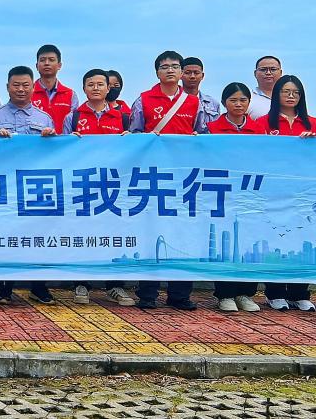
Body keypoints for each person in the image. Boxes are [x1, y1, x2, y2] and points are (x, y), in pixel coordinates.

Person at [128, 51, 204, 311]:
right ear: (157, 72)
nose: (170, 70)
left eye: (175, 66)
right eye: (164, 67)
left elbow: (202, 134)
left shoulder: (193, 102)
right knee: (151, 233)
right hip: (153, 178)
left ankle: (179, 294)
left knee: (183, 234)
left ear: (182, 71)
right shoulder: (144, 100)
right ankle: (147, 293)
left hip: (184, 179)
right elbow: (135, 135)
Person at [0, 66, 57, 305]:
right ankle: (5, 286)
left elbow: (56, 156)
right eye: (16, 85)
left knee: (38, 236)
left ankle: (39, 286)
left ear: (33, 87)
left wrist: (51, 140)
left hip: (36, 188)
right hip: (5, 188)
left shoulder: (44, 119)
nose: (21, 89)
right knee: (7, 235)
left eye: (26, 85)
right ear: (7, 87)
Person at [62, 68, 131, 306]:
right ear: (84, 88)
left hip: (113, 187)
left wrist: (129, 140)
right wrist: (69, 141)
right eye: (90, 84)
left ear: (108, 88)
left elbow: (131, 151)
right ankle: (81, 284)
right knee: (82, 234)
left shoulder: (121, 117)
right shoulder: (73, 117)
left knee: (114, 235)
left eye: (100, 84)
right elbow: (60, 153)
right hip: (82, 186)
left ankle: (115, 286)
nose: (95, 88)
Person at [256, 74, 316, 312]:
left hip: (304, 193)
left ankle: (300, 293)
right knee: (275, 240)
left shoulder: (313, 124)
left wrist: (315, 142)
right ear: (276, 95)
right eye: (286, 92)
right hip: (274, 192)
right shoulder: (263, 123)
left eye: (296, 93)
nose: (291, 96)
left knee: (303, 241)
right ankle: (274, 293)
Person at [204, 82, 267, 313]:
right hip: (222, 192)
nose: (238, 104)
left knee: (249, 241)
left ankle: (246, 293)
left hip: (250, 192)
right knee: (225, 242)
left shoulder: (259, 130)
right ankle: (224, 294)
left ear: (249, 103)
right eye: (233, 100)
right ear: (224, 103)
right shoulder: (211, 129)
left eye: (243, 100)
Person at [31, 44, 74, 134]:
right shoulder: (28, 93)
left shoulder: (70, 94)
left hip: (62, 143)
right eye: (42, 60)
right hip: (34, 142)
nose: (47, 63)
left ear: (59, 65)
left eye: (51, 60)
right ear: (37, 66)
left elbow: (74, 125)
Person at [180, 57, 222, 123]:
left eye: (196, 73)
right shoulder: (173, 101)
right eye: (187, 73)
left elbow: (217, 127)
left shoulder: (213, 103)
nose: (192, 76)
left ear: (202, 76)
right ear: (180, 75)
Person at [249, 56, 282, 120]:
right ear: (255, 73)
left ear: (281, 73)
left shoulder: (289, 97)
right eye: (263, 69)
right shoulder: (248, 98)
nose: (268, 73)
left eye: (273, 69)